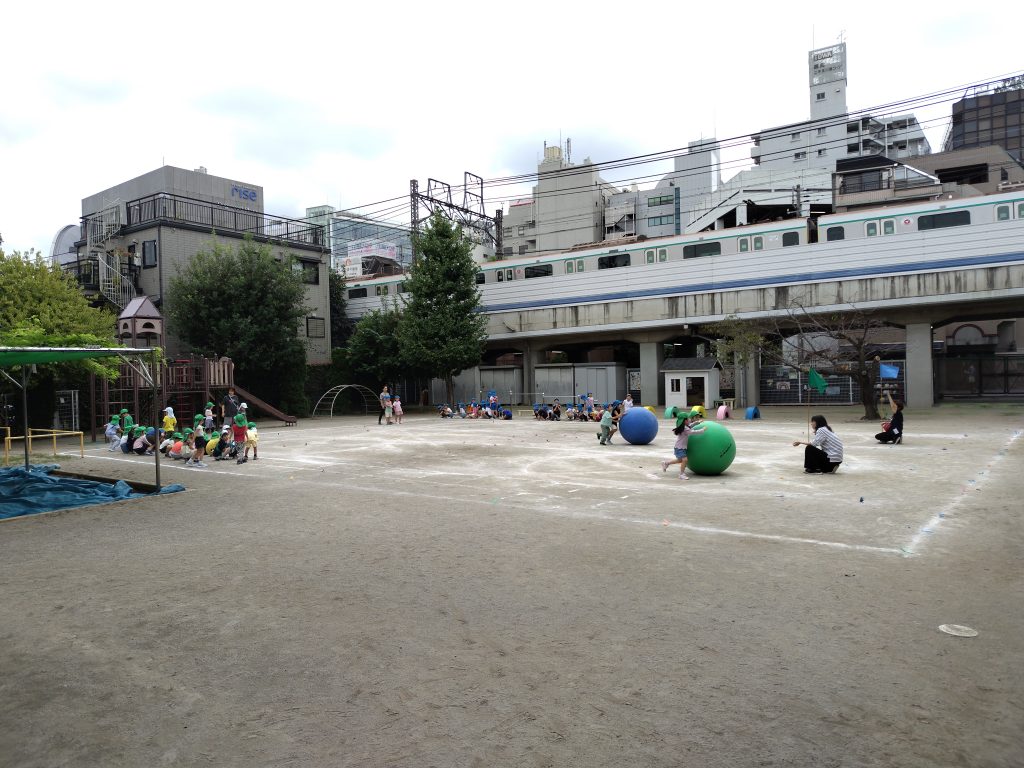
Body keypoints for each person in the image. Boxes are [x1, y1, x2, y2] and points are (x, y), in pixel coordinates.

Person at [662, 415, 706, 480]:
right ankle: (681, 474)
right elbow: (692, 432)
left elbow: (690, 425)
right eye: (688, 419)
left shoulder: (684, 427)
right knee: (685, 460)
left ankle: (666, 463)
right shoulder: (685, 428)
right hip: (680, 448)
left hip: (680, 447)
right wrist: (703, 430)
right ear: (685, 421)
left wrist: (698, 422)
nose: (689, 420)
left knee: (680, 460)